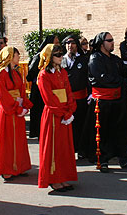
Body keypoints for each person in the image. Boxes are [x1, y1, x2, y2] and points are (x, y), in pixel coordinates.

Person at [85, 32, 127, 172]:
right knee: (103, 133)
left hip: (117, 100)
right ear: (102, 43)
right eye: (109, 40)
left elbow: (124, 70)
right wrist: (126, 81)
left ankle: (124, 158)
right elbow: (104, 78)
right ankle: (102, 160)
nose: (112, 42)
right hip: (102, 102)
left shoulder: (115, 59)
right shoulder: (95, 59)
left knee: (120, 131)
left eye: (113, 40)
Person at [37, 44, 78, 192]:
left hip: (65, 113)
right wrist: (63, 113)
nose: (61, 57)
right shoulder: (43, 75)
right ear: (49, 57)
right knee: (53, 147)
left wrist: (70, 109)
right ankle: (54, 179)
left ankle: (63, 176)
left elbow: (69, 92)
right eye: (57, 54)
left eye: (61, 54)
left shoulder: (63, 72)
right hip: (54, 115)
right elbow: (49, 98)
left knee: (64, 147)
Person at [0, 46, 33, 180]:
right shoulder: (0, 75)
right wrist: (17, 107)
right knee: (7, 141)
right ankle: (7, 169)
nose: (18, 57)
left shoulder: (16, 73)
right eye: (16, 55)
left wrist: (25, 105)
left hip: (17, 110)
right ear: (10, 56)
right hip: (8, 112)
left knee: (19, 140)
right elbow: (3, 96)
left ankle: (20, 167)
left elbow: (22, 90)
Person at [27, 35, 60, 138]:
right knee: (38, 111)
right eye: (56, 42)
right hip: (38, 89)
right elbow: (31, 73)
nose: (57, 45)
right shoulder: (38, 56)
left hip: (48, 88)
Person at [61, 34, 89, 155]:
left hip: (81, 98)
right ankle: (69, 149)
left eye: (72, 43)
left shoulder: (84, 59)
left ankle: (82, 149)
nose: (70, 46)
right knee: (68, 125)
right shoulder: (61, 60)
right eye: (67, 43)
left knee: (81, 125)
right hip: (66, 98)